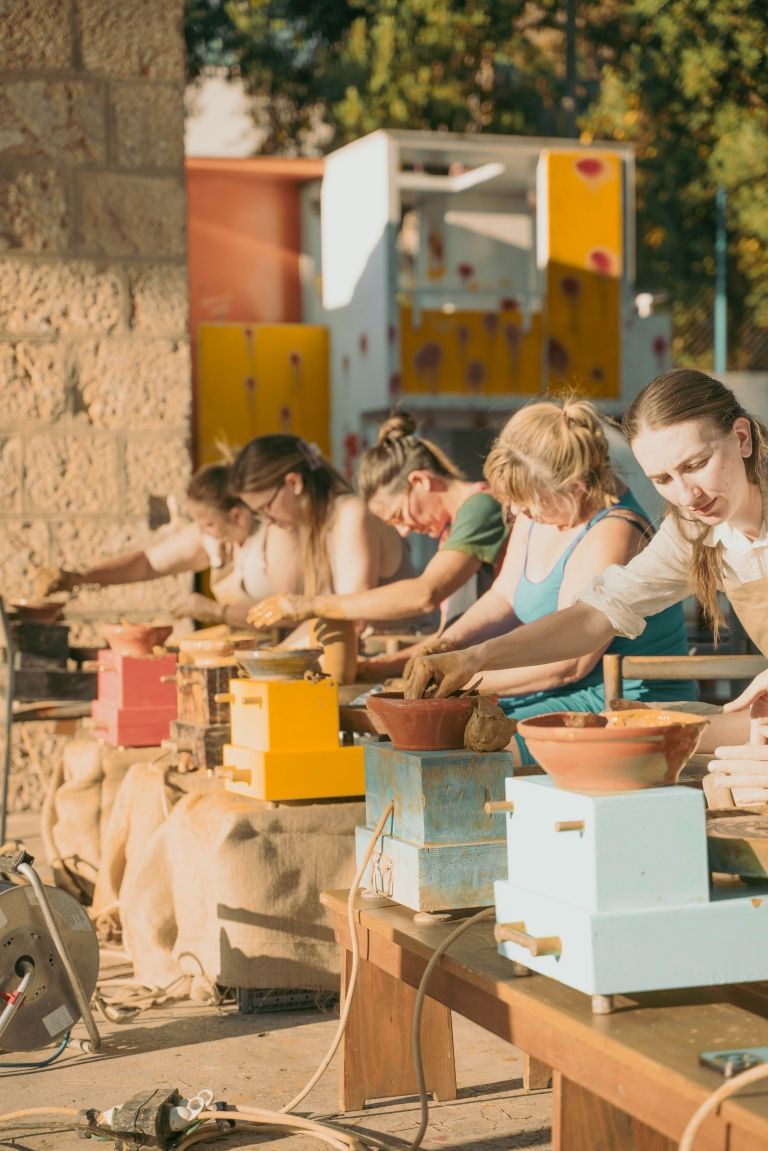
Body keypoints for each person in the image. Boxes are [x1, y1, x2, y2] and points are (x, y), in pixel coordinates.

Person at [406, 371, 768, 763]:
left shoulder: (628, 526)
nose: (686, 495)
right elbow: (594, 616)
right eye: (662, 478)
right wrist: (471, 659)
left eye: (697, 464)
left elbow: (569, 666)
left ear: (742, 438)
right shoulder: (693, 530)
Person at [244, 414, 508, 675]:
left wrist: (311, 605)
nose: (404, 530)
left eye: (399, 514)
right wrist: (370, 669)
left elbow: (424, 594)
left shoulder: (480, 507)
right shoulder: (452, 529)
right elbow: (447, 638)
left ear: (420, 481)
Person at [230, 433, 421, 681]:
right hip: (364, 665)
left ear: (294, 482)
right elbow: (322, 623)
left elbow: (348, 619)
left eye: (266, 507)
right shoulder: (315, 526)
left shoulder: (351, 514)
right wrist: (269, 657)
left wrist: (272, 660)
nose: (267, 520)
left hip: (398, 668)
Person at [36, 463, 303, 628]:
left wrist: (214, 611)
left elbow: (286, 615)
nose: (201, 531)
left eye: (208, 524)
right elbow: (146, 564)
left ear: (237, 515)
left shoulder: (274, 539)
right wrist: (80, 577)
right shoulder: (214, 537)